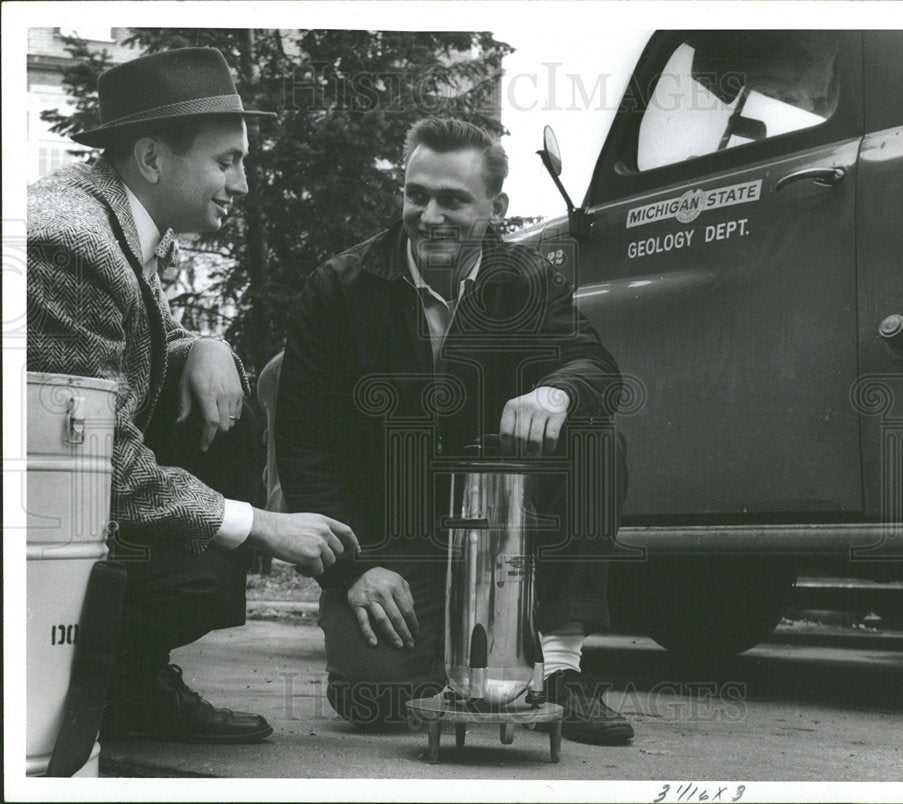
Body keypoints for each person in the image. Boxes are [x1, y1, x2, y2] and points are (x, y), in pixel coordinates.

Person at [27, 47, 358, 745]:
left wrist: (201, 347)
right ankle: (102, 684)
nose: (241, 182)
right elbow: (90, 461)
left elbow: (139, 346)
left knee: (233, 399)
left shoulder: (119, 218)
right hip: (32, 537)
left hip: (56, 508)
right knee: (198, 578)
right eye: (226, 161)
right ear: (152, 158)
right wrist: (258, 524)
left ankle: (129, 677)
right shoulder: (72, 245)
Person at [276, 117, 633, 745]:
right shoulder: (338, 286)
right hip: (389, 536)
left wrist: (556, 390)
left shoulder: (523, 277)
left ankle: (560, 668)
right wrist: (353, 570)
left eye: (453, 200)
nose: (430, 215)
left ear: (495, 207)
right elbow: (307, 445)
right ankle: (456, 650)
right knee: (374, 698)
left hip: (498, 531)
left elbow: (597, 366)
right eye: (417, 195)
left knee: (594, 434)